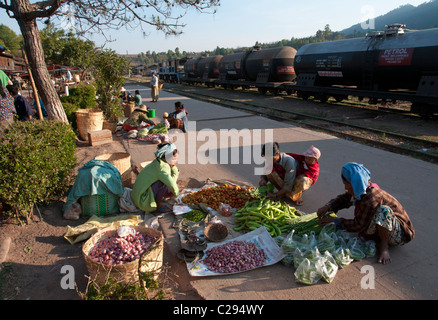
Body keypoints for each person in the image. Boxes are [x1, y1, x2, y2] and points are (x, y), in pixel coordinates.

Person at [317, 162, 415, 265]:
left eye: (346, 184)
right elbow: (345, 198)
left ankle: (384, 246)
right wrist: (329, 205)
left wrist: (336, 221)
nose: (346, 188)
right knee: (368, 220)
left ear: (354, 183)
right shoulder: (362, 189)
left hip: (401, 234)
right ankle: (375, 235)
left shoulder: (371, 198)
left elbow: (358, 225)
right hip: (386, 225)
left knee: (383, 211)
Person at [130, 142, 179, 213]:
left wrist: (173, 167)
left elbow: (175, 173)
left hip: (136, 196)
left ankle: (160, 197)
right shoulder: (162, 168)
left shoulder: (158, 162)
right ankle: (157, 206)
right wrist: (177, 196)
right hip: (142, 201)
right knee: (164, 183)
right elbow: (172, 184)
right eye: (173, 159)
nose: (176, 161)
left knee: (167, 181)